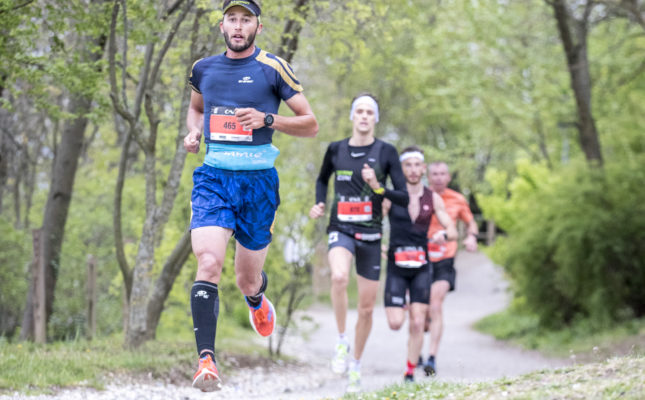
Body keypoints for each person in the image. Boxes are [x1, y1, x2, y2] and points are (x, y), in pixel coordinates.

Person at [184, 0, 318, 392]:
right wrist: (194, 133)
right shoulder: (202, 69)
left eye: (246, 20)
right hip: (213, 178)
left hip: (258, 183)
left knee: (245, 278)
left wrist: (268, 119)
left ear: (258, 27)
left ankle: (257, 298)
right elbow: (196, 110)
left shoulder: (273, 68)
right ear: (222, 25)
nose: (238, 26)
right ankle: (206, 361)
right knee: (208, 261)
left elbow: (310, 124)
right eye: (232, 19)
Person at [309, 93, 408, 393]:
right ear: (352, 116)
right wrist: (319, 204)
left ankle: (356, 363)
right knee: (338, 276)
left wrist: (378, 187)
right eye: (359, 111)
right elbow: (321, 179)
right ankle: (341, 341)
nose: (364, 116)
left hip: (371, 234)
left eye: (370, 112)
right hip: (340, 228)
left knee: (366, 309)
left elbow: (403, 196)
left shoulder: (387, 152)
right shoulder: (336, 149)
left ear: (375, 118)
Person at [382, 147, 456, 383]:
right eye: (408, 165)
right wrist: (378, 247)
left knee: (417, 322)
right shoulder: (391, 196)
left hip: (422, 267)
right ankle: (402, 306)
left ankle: (409, 372)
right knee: (395, 323)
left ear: (423, 169)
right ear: (402, 169)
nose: (413, 170)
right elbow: (374, 225)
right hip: (396, 267)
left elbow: (452, 229)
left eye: (417, 165)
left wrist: (444, 234)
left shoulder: (432, 198)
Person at [420, 161, 478, 376]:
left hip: (445, 258)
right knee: (421, 309)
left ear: (448, 177)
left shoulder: (457, 199)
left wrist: (471, 237)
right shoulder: (420, 197)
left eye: (442, 174)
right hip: (421, 257)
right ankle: (418, 340)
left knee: (436, 305)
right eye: (434, 174)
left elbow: (471, 223)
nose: (438, 178)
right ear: (428, 176)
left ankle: (432, 358)